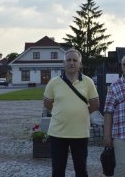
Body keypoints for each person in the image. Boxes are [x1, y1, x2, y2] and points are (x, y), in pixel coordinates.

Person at [43, 48, 100, 177]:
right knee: (58, 170)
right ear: (63, 63)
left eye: (75, 60)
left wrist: (81, 113)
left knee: (81, 170)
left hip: (80, 133)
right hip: (58, 133)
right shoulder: (53, 82)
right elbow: (47, 103)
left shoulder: (88, 82)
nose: (71, 63)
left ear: (80, 64)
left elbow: (95, 104)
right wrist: (60, 112)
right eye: (68, 60)